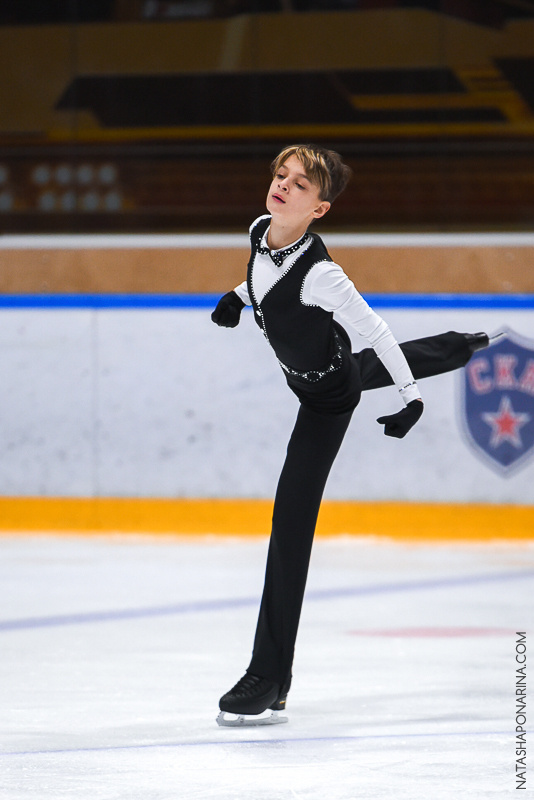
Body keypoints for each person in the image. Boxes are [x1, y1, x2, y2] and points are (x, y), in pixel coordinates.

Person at [211, 143, 489, 726]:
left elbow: (378, 331)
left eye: (301, 185)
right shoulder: (262, 230)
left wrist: (411, 401)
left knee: (290, 522)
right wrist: (235, 300)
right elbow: (260, 279)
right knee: (370, 369)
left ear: (320, 209)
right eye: (280, 176)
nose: (283, 186)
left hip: (325, 398)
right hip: (315, 374)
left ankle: (266, 677)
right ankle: (464, 345)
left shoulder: (325, 277)